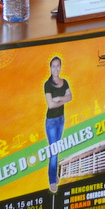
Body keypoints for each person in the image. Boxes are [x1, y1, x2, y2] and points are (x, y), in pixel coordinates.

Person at [44, 56, 72, 193]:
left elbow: (70, 97)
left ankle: (54, 174)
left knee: (57, 150)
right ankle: (52, 180)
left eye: (58, 65)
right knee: (54, 152)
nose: (56, 68)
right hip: (51, 122)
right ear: (50, 68)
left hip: (61, 119)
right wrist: (63, 101)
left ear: (61, 67)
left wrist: (59, 98)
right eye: (53, 66)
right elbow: (50, 105)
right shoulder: (47, 84)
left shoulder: (65, 82)